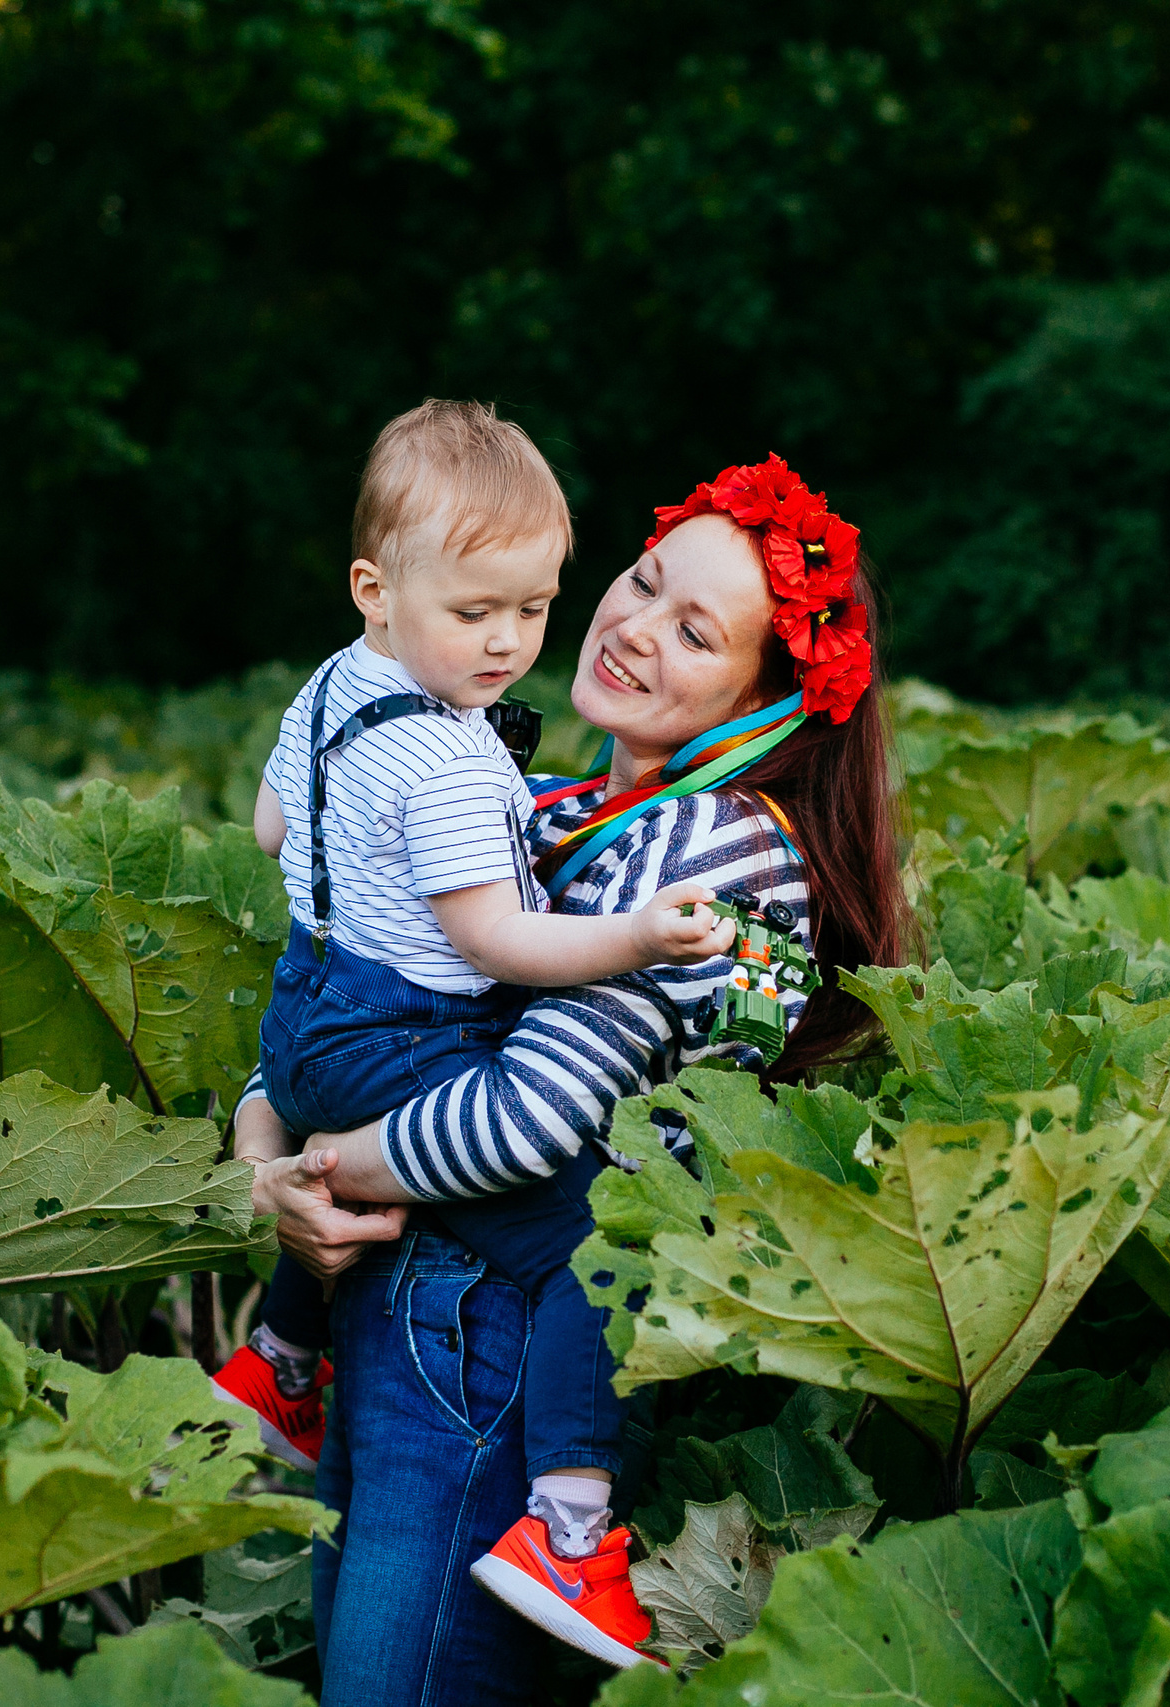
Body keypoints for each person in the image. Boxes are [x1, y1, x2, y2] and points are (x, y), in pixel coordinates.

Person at [238, 452, 907, 1704]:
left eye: (697, 630)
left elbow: (525, 1118)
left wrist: (310, 1170)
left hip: (491, 1335)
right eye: (645, 582)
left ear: (768, 699)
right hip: (400, 1294)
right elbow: (352, 988)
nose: (636, 627)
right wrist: (263, 1155)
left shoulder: (707, 845)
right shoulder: (534, 794)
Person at [209, 401, 739, 1660]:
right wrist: (637, 936)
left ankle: (278, 1356)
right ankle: (573, 1526)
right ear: (376, 590)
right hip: (398, 1126)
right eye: (644, 583)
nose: (517, 641)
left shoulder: (340, 684)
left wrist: (291, 1140)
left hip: (322, 1027)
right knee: (606, 1236)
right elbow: (500, 959)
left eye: (697, 627)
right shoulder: (462, 764)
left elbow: (277, 836)